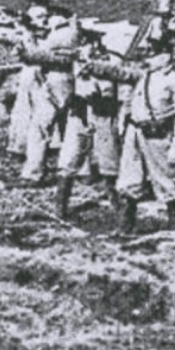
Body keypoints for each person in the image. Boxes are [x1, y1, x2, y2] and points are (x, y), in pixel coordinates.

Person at [82, 38, 175, 233]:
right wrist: (92, 66)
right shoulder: (146, 75)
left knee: (166, 182)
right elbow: (119, 72)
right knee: (129, 180)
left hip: (157, 136)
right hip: (134, 133)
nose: (148, 56)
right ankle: (125, 226)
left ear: (166, 56)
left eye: (153, 53)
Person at [53, 28, 124, 218]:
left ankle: (119, 206)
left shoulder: (113, 61)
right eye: (84, 43)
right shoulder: (74, 62)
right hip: (80, 115)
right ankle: (60, 207)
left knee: (109, 163)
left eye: (92, 43)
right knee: (68, 160)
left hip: (104, 115)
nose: (89, 47)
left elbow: (122, 93)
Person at [14, 5, 80, 187]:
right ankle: (79, 171)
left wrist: (27, 51)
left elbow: (48, 56)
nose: (46, 20)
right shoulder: (68, 31)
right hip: (59, 82)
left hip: (56, 82)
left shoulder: (63, 34)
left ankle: (33, 173)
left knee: (40, 128)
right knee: (67, 128)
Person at [5, 0, 51, 158]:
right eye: (40, 17)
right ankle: (21, 144)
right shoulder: (27, 34)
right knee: (26, 108)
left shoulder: (46, 34)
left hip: (40, 72)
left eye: (45, 17)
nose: (44, 20)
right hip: (32, 72)